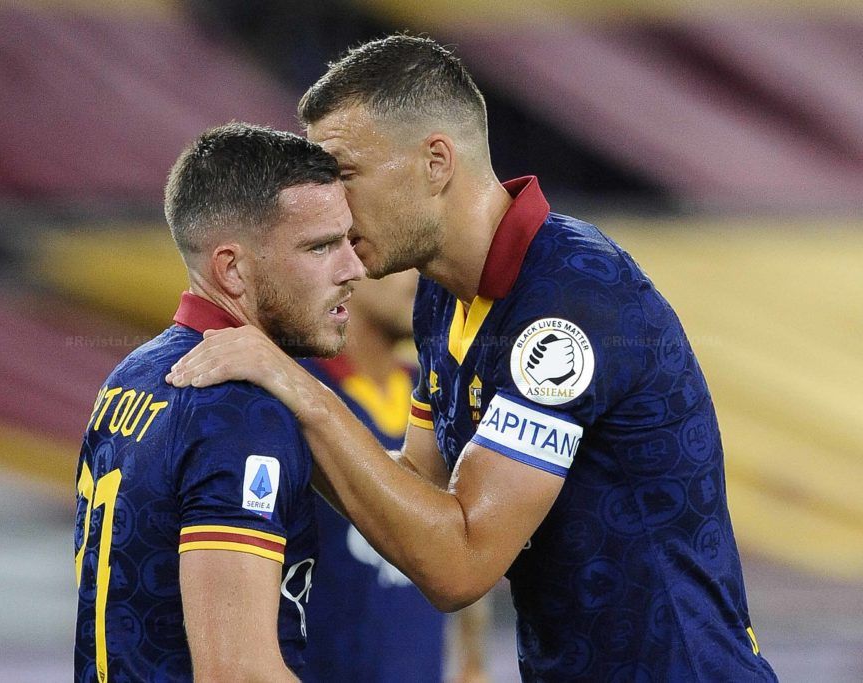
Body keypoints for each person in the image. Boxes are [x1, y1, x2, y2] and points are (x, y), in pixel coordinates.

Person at [166, 36, 778, 681]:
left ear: (436, 163)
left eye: (343, 174)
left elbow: (459, 565)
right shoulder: (441, 298)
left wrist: (298, 389)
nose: (333, 210)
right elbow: (421, 499)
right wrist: (270, 424)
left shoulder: (569, 307)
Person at [74, 122, 363, 681]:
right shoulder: (240, 412)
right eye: (321, 246)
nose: (353, 268)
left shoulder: (131, 376)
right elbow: (238, 673)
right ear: (231, 269)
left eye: (348, 240)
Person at [299, 270, 490, 683]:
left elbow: (467, 537)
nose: (424, 280)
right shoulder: (296, 394)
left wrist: (472, 662)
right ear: (346, 264)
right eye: (404, 263)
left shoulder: (442, 394)